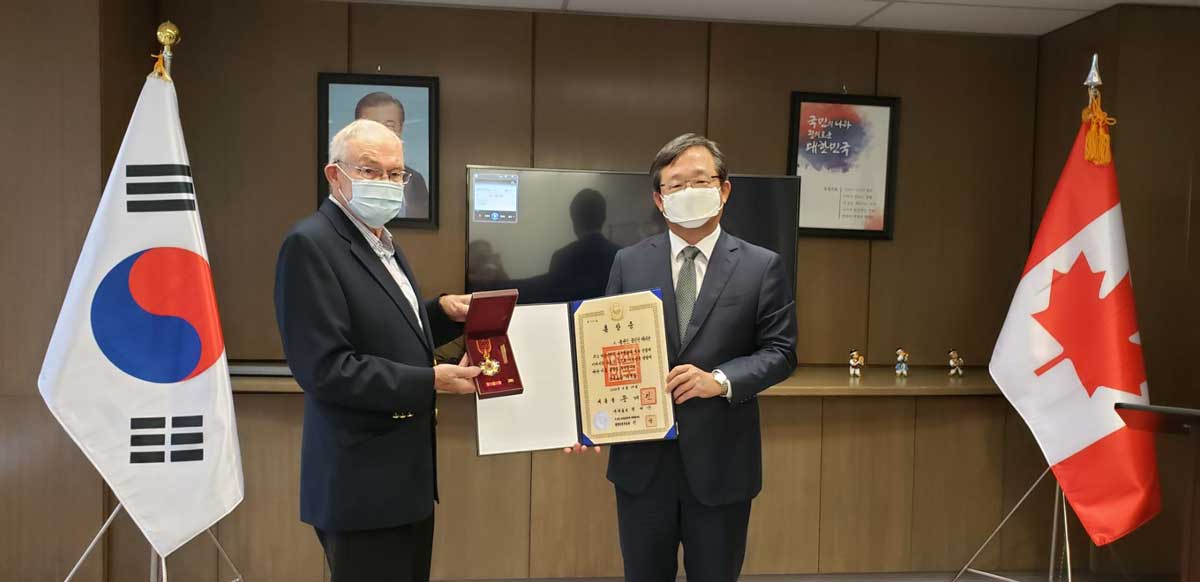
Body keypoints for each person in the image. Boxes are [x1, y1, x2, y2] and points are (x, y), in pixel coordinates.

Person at [569, 133, 798, 582]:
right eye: (675, 185)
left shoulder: (761, 265)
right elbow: (603, 348)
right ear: (659, 199)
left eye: (700, 180)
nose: (689, 192)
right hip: (642, 468)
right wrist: (587, 418)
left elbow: (782, 351)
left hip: (721, 465)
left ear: (724, 189)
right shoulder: (628, 262)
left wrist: (721, 379)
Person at [274, 119, 480, 582]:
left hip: (404, 480)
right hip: (359, 485)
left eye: (395, 174)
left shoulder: (381, 240)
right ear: (335, 175)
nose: (386, 184)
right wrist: (432, 381)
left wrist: (443, 311)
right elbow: (325, 368)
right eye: (370, 171)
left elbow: (385, 327)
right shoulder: (311, 244)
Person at [355, 91, 431, 220]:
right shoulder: (342, 176)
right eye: (372, 126)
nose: (381, 133)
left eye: (389, 126)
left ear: (400, 130)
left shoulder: (415, 181)